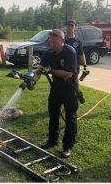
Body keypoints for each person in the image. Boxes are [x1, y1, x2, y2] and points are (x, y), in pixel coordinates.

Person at [33, 29, 78, 158]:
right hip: (56, 88)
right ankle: (52, 140)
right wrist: (33, 80)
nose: (52, 44)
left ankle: (67, 147)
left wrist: (50, 70)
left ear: (62, 41)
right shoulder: (48, 54)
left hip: (70, 88)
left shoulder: (70, 52)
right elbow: (40, 70)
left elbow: (68, 74)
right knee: (53, 114)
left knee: (70, 117)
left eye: (54, 42)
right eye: (50, 41)